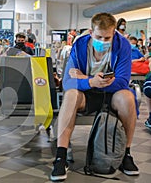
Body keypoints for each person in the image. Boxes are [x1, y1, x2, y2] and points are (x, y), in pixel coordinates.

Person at [50, 13, 139, 181]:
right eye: (99, 37)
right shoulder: (80, 45)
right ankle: (60, 157)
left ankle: (126, 154)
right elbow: (68, 82)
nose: (103, 41)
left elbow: (122, 82)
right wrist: (91, 82)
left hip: (112, 95)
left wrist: (84, 77)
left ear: (114, 33)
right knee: (70, 95)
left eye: (107, 38)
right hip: (87, 95)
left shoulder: (123, 46)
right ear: (91, 32)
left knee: (127, 97)